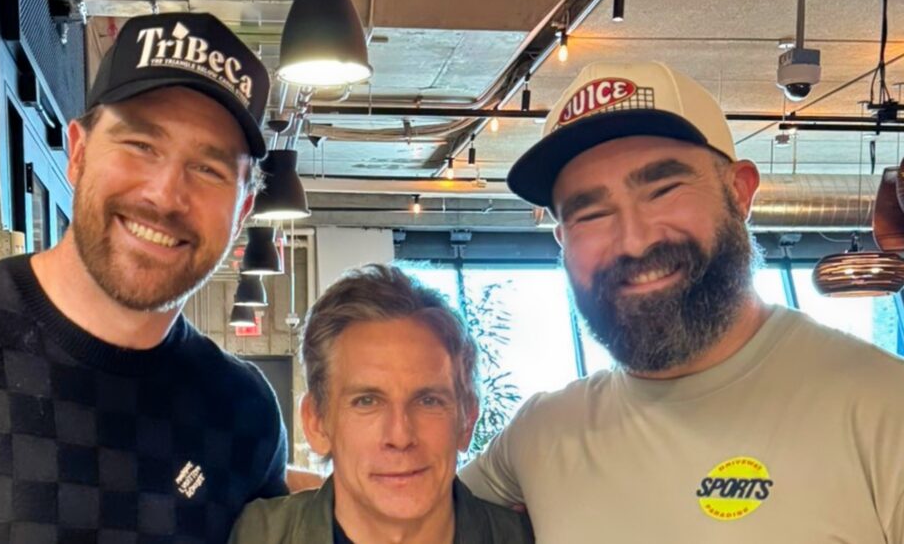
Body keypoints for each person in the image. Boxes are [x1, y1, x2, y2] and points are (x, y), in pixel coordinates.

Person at [0, 12, 287, 542]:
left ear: (243, 211)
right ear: (78, 152)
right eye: (140, 145)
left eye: (209, 169)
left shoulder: (244, 414)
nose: (165, 195)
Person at [459, 60, 904, 542]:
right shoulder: (538, 437)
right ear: (563, 240)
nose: (633, 241)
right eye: (590, 213)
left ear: (739, 192)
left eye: (663, 190)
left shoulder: (884, 409)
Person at [229, 265, 534, 544]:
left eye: (428, 401)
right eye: (366, 401)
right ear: (316, 422)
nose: (400, 436)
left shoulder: (536, 537)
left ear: (467, 418)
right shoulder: (247, 536)